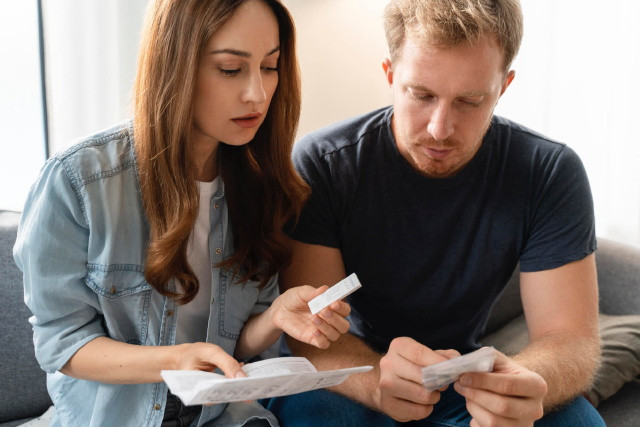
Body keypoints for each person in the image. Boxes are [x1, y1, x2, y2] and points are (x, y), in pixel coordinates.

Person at [262, 0, 605, 425]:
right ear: (390, 75)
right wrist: (374, 382)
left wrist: (521, 383)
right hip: (347, 379)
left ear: (504, 87)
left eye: (471, 101)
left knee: (579, 421)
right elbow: (313, 337)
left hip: (461, 382)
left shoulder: (549, 172)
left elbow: (570, 339)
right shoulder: (324, 164)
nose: (440, 128)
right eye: (421, 95)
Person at [13, 0, 351, 426]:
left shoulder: (261, 187)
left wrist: (274, 318)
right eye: (231, 69)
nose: (258, 94)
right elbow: (62, 345)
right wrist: (175, 359)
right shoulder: (79, 181)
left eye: (270, 66)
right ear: (175, 64)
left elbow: (230, 349)